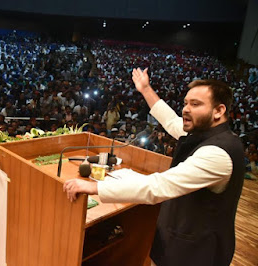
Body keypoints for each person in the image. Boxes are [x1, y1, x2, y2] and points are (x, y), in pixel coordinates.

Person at [63, 68, 245, 266]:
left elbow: (159, 186)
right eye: (185, 103)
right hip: (182, 239)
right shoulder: (203, 132)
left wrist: (95, 187)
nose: (185, 109)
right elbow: (170, 121)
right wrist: (145, 89)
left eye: (195, 104)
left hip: (196, 252)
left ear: (219, 111)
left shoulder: (218, 153)